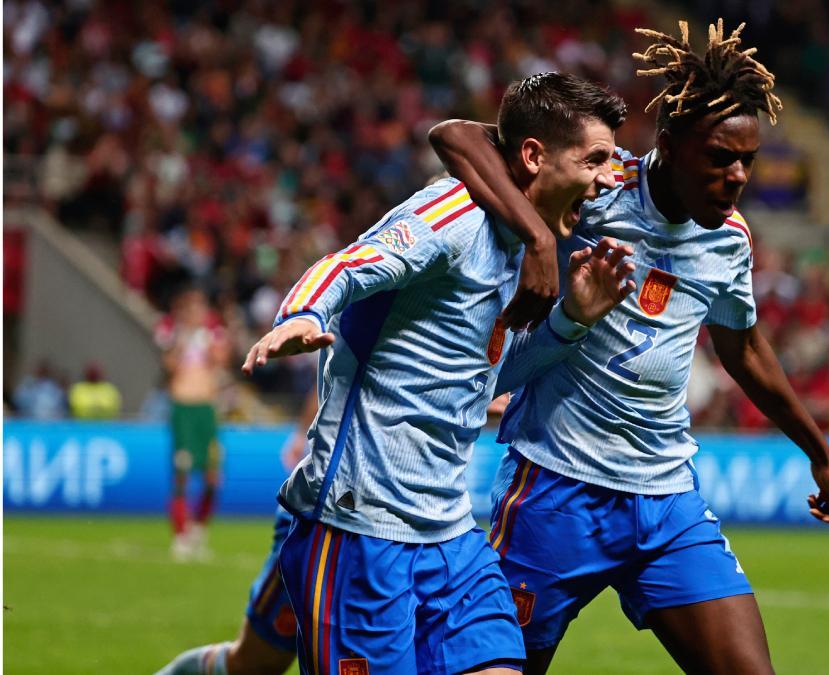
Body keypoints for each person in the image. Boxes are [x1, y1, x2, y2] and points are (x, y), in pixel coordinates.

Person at [430, 20, 829, 675]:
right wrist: (541, 240)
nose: (737, 175)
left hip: (666, 500)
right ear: (670, 143)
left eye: (747, 160)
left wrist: (818, 452)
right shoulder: (599, 185)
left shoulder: (728, 242)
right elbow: (460, 137)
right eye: (720, 157)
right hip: (554, 489)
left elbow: (743, 350)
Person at [242, 73, 635, 675]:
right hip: (358, 528)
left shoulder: (528, 251)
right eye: (595, 159)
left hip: (450, 534)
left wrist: (573, 320)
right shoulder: (455, 216)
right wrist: (302, 313)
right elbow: (347, 265)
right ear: (533, 156)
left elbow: (495, 372)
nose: (609, 177)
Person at [154, 388, 318, 675]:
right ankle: (184, 534)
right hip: (330, 517)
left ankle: (195, 532)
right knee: (255, 664)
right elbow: (331, 363)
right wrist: (299, 433)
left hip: (413, 523)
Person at [157, 287, 231, 561]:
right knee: (182, 471)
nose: (197, 313)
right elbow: (169, 366)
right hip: (184, 409)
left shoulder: (212, 335)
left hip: (206, 410)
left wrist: (206, 338)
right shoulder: (173, 334)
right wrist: (184, 336)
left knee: (213, 475)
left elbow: (221, 360)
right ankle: (180, 534)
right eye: (192, 308)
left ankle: (199, 527)